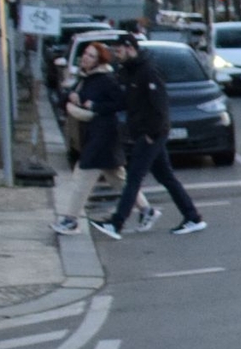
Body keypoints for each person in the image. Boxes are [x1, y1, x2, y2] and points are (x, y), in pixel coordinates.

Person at [91, 37, 204, 239]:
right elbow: (123, 101)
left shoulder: (148, 71)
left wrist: (153, 134)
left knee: (133, 178)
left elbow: (160, 106)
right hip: (144, 132)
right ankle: (193, 217)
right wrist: (94, 106)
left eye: (119, 51)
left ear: (130, 48)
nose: (117, 55)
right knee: (166, 177)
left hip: (151, 133)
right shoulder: (129, 71)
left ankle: (117, 224)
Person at [51, 39, 136, 234]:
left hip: (104, 134)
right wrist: (71, 98)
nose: (85, 59)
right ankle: (147, 209)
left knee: (82, 175)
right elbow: (66, 98)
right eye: (85, 54)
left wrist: (96, 107)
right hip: (92, 133)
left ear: (99, 61)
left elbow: (121, 102)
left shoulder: (106, 79)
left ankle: (71, 220)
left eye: (91, 56)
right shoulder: (84, 78)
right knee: (118, 179)